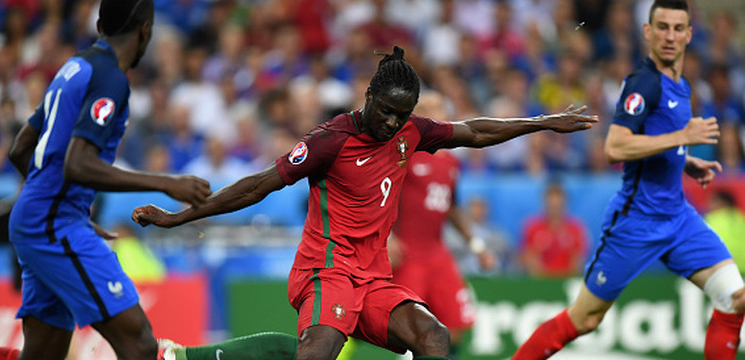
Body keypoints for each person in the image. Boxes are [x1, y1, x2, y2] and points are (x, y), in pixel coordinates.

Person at [134, 45, 597, 360]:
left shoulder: (412, 133)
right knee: (319, 351)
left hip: (374, 277)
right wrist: (181, 217)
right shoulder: (330, 141)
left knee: (433, 337)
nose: (393, 123)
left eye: (403, 115)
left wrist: (542, 121)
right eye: (386, 110)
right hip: (325, 270)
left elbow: (474, 131)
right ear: (368, 95)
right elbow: (258, 185)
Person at [0, 1, 214, 360]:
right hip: (55, 226)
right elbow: (77, 164)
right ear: (146, 30)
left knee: (44, 352)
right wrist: (166, 183)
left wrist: (61, 203)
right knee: (141, 345)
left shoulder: (74, 67)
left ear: (99, 23)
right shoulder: (110, 78)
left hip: (39, 219)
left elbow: (21, 149)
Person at [513, 1, 745, 359]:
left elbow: (656, 137)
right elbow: (615, 146)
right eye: (662, 27)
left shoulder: (680, 85)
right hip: (636, 222)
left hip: (678, 218)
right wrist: (682, 139)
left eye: (677, 28)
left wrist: (683, 161)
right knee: (585, 319)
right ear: (648, 32)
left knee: (734, 299)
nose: (670, 36)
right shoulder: (644, 83)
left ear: (689, 34)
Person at [387, 91, 496, 358]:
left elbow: (452, 207)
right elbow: (381, 194)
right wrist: (387, 236)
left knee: (456, 323)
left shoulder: (450, 162)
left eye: (439, 108)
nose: (434, 113)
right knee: (408, 327)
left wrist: (477, 244)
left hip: (436, 252)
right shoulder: (403, 153)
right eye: (426, 108)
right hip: (408, 253)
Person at [518, 181, 588, 278]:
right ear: (545, 202)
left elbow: (577, 261)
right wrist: (547, 280)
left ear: (564, 202)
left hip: (567, 280)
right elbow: (529, 259)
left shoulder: (575, 228)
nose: (554, 206)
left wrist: (562, 280)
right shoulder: (532, 227)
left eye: (558, 203)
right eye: (551, 202)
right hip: (540, 282)